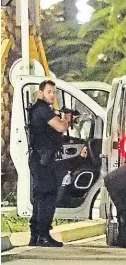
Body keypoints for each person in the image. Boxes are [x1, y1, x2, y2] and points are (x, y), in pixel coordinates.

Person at [27, 80, 72, 247]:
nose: (52, 95)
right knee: (47, 197)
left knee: (40, 197)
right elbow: (60, 127)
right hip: (43, 160)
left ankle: (36, 235)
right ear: (41, 93)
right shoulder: (43, 110)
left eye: (54, 92)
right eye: (49, 92)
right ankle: (43, 235)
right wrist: (66, 119)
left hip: (39, 159)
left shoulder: (39, 109)